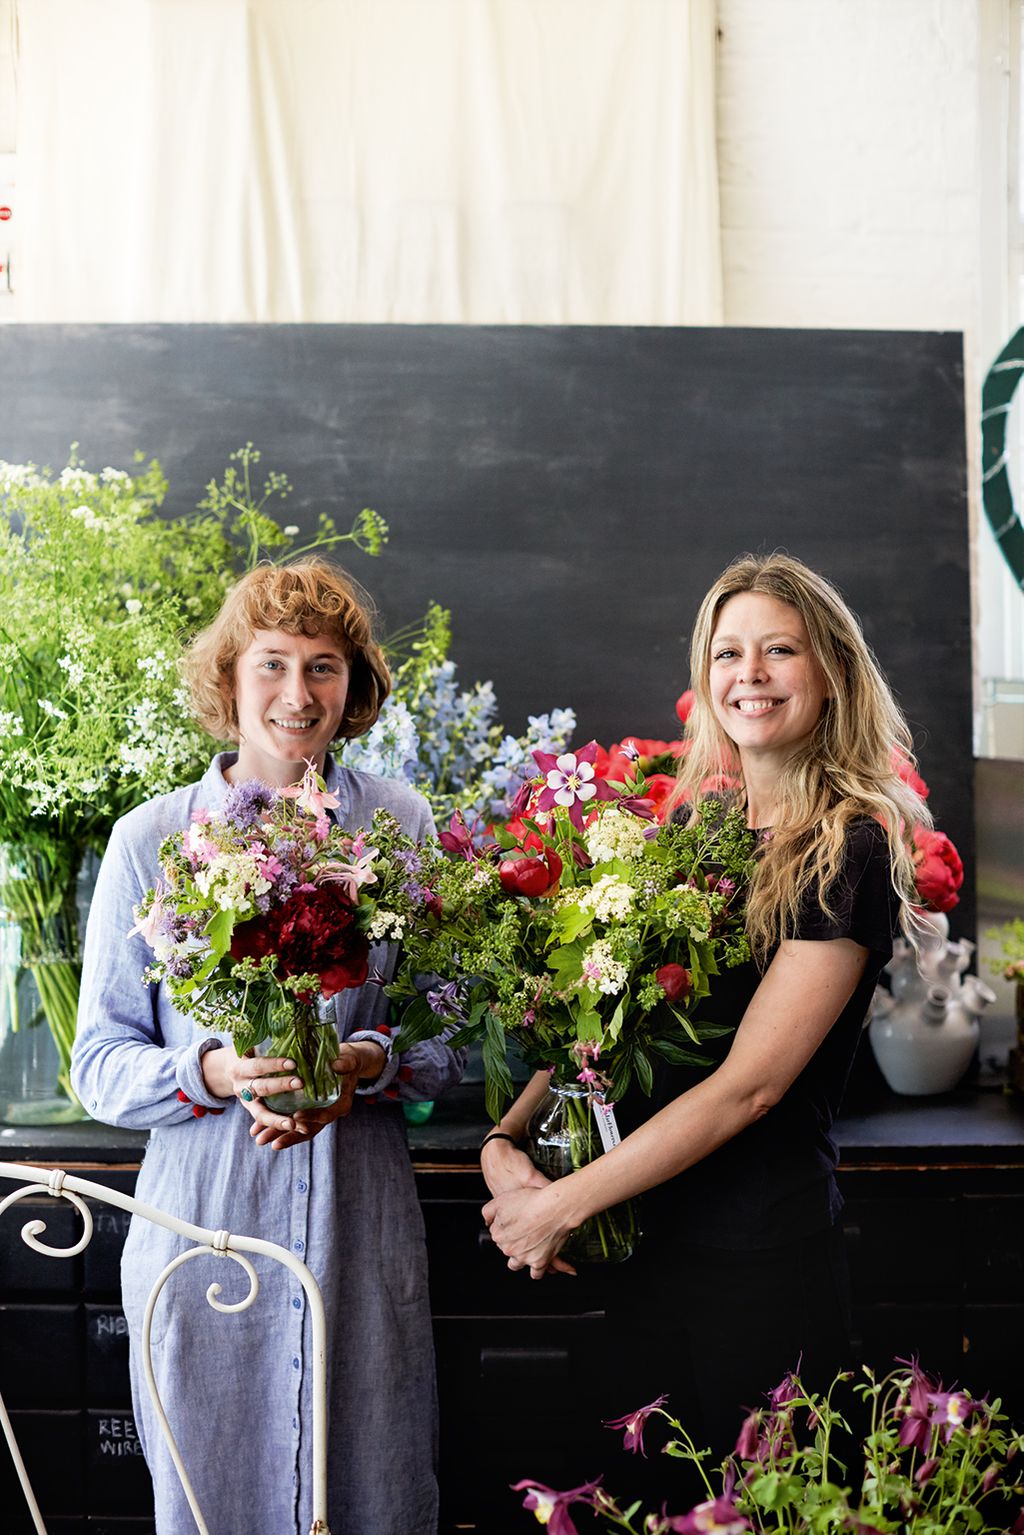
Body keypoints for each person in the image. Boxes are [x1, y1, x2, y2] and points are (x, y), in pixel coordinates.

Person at [480, 552, 930, 1478]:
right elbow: (598, 1025)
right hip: (649, 1254)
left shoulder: (848, 845)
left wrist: (562, 1203)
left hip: (762, 1265)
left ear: (831, 673)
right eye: (728, 653)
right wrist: (505, 1138)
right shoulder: (697, 830)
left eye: (778, 651)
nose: (749, 675)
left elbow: (749, 1088)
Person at [72, 558, 465, 1535]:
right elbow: (98, 1062)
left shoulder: (401, 823)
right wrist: (206, 1072)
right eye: (274, 664)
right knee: (215, 1497)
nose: (299, 694)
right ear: (229, 680)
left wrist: (369, 1061)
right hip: (204, 1229)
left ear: (354, 683)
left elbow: (449, 1037)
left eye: (324, 666)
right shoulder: (151, 839)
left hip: (358, 1225)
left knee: (369, 1492)